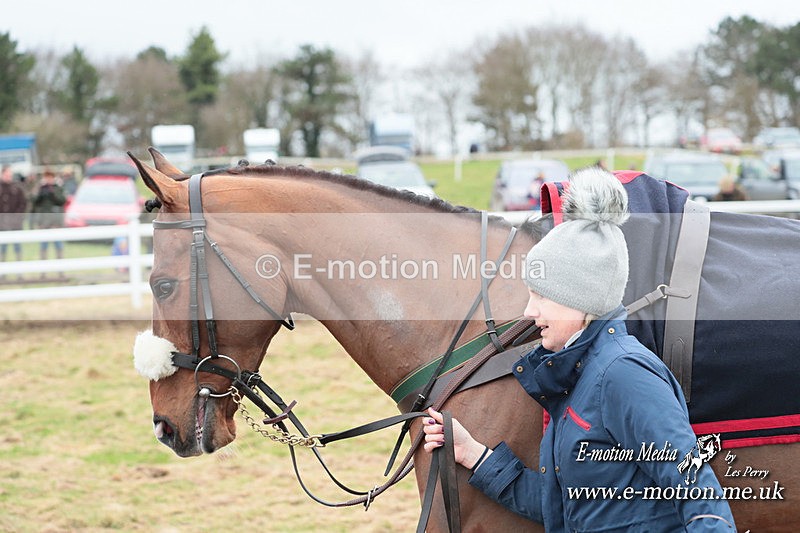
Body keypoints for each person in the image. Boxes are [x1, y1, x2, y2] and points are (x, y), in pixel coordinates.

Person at [423, 168, 735, 531]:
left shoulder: (624, 375)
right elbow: (563, 506)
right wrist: (474, 455)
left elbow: (698, 493)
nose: (529, 311)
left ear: (581, 301)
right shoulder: (580, 375)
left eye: (542, 296)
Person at [30, 169, 67, 273]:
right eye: (47, 177)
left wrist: (52, 192)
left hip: (55, 222)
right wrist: (40, 191)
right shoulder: (41, 188)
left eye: (50, 177)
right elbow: (34, 201)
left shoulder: (58, 187)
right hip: (44, 222)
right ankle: (43, 271)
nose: (48, 179)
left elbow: (62, 201)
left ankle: (61, 271)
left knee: (58, 246)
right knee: (43, 247)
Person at [0, 165, 28, 279]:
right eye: (7, 174)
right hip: (2, 224)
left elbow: (23, 203)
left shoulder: (17, 188)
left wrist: (17, 217)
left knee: (18, 248)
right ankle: (2, 273)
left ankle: (19, 272)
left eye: (10, 175)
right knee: (3, 249)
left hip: (15, 224)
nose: (9, 177)